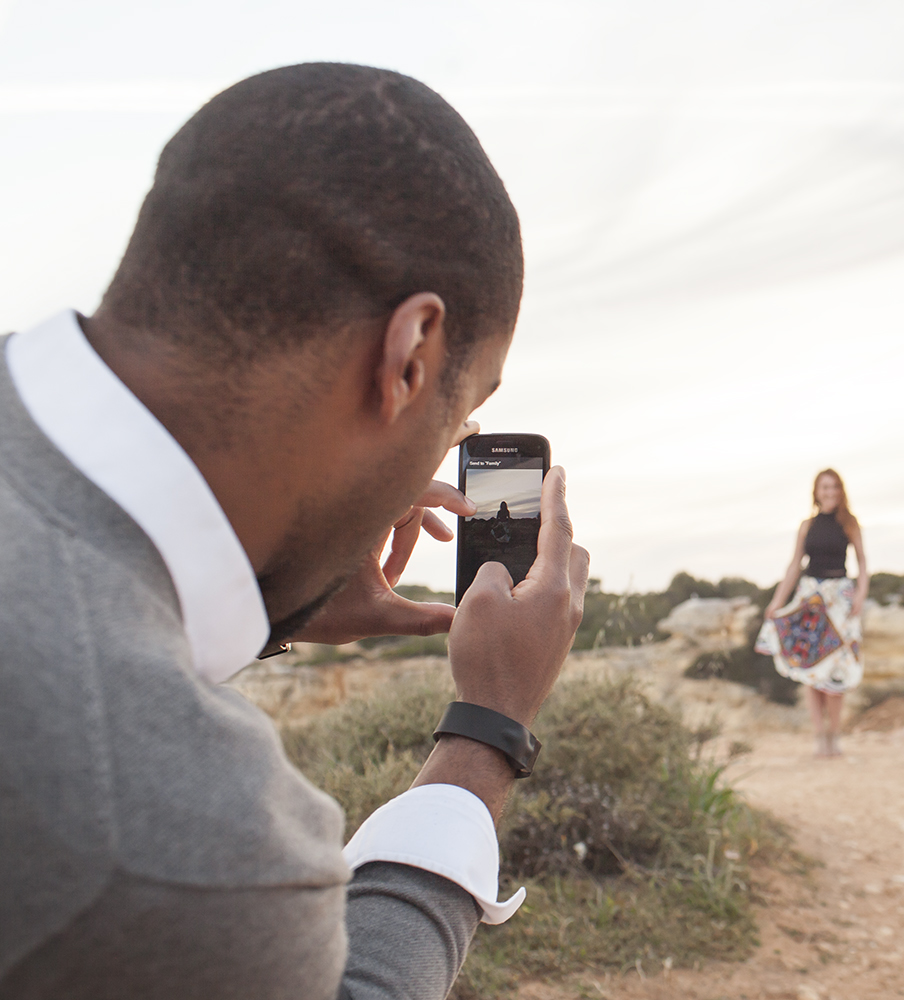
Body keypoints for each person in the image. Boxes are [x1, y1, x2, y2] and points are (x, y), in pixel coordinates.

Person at [0, 64, 589, 999]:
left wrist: (273, 601)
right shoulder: (162, 833)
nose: (445, 453)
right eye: (461, 412)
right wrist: (490, 730)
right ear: (408, 357)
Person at [758, 469, 870, 757]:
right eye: (824, 487)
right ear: (816, 491)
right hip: (810, 600)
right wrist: (777, 601)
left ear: (840, 490)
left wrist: (860, 594)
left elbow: (863, 563)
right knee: (810, 672)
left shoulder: (850, 523)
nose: (829, 492)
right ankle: (819, 735)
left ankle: (835, 735)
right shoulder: (806, 526)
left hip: (840, 600)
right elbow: (794, 565)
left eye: (834, 487)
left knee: (837, 671)